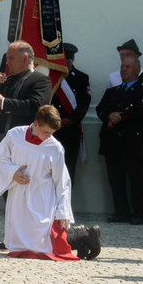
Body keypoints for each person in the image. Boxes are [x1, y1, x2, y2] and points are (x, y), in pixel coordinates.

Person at [0, 105, 100, 260]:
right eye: (46, 132)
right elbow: (1, 156)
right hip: (18, 196)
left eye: (52, 133)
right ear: (36, 124)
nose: (48, 136)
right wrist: (13, 172)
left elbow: (62, 181)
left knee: (44, 244)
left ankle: (85, 234)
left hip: (42, 199)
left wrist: (62, 211)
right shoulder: (14, 135)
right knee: (20, 243)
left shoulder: (55, 147)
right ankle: (82, 237)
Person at [96, 52, 143, 225]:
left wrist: (121, 117)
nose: (123, 69)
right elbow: (100, 108)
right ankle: (121, 212)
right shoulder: (112, 91)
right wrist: (109, 115)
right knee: (115, 180)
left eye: (128, 67)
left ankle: (138, 213)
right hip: (113, 143)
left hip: (133, 144)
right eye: (122, 66)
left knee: (136, 181)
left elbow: (142, 112)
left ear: (137, 70)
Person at [0, 41, 51, 138]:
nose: (7, 62)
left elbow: (35, 106)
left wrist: (3, 102)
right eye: (7, 58)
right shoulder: (6, 80)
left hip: (25, 139)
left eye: (11, 58)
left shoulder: (41, 80)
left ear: (25, 58)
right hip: (1, 138)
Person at [53, 42, 91, 181]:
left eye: (66, 61)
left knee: (68, 171)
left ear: (71, 60)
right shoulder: (51, 77)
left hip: (71, 131)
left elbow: (84, 104)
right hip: (52, 130)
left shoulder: (81, 78)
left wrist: (70, 120)